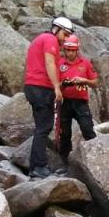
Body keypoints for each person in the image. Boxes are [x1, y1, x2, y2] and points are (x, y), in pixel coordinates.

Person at [23, 16, 75, 179]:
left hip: (33, 86)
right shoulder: (50, 39)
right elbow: (49, 63)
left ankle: (36, 166)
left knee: (41, 127)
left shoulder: (41, 39)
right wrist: (56, 87)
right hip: (41, 87)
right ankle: (39, 167)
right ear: (56, 29)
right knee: (44, 128)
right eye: (65, 34)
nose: (66, 39)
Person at [56, 34, 98, 167]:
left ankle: (96, 158)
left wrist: (84, 80)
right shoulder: (60, 63)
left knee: (87, 129)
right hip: (65, 101)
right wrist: (64, 84)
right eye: (68, 50)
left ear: (77, 50)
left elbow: (95, 82)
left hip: (81, 102)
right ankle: (65, 163)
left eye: (72, 50)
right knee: (65, 134)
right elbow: (55, 83)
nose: (70, 53)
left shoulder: (85, 63)